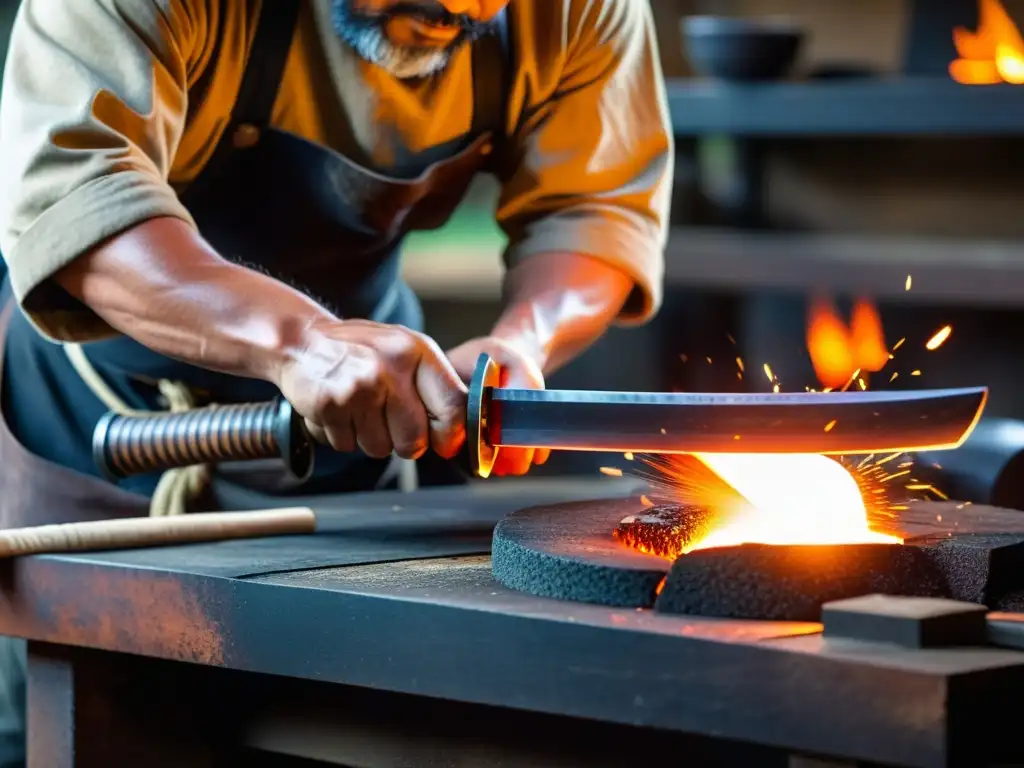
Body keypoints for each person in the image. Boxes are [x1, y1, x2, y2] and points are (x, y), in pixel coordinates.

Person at [0, 0, 671, 762]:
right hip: (98, 433)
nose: (459, 8)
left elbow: (594, 209)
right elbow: (77, 197)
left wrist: (523, 340)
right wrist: (302, 343)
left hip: (358, 452)